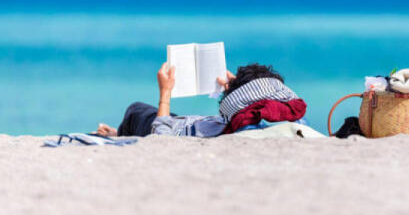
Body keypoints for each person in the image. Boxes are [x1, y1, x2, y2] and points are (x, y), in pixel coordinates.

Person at [96, 63, 307, 138]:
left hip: (176, 128)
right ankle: (118, 133)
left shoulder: (240, 124)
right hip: (198, 123)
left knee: (136, 110)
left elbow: (160, 136)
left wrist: (165, 92)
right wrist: (237, 88)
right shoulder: (289, 118)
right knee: (174, 117)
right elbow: (261, 99)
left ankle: (118, 134)